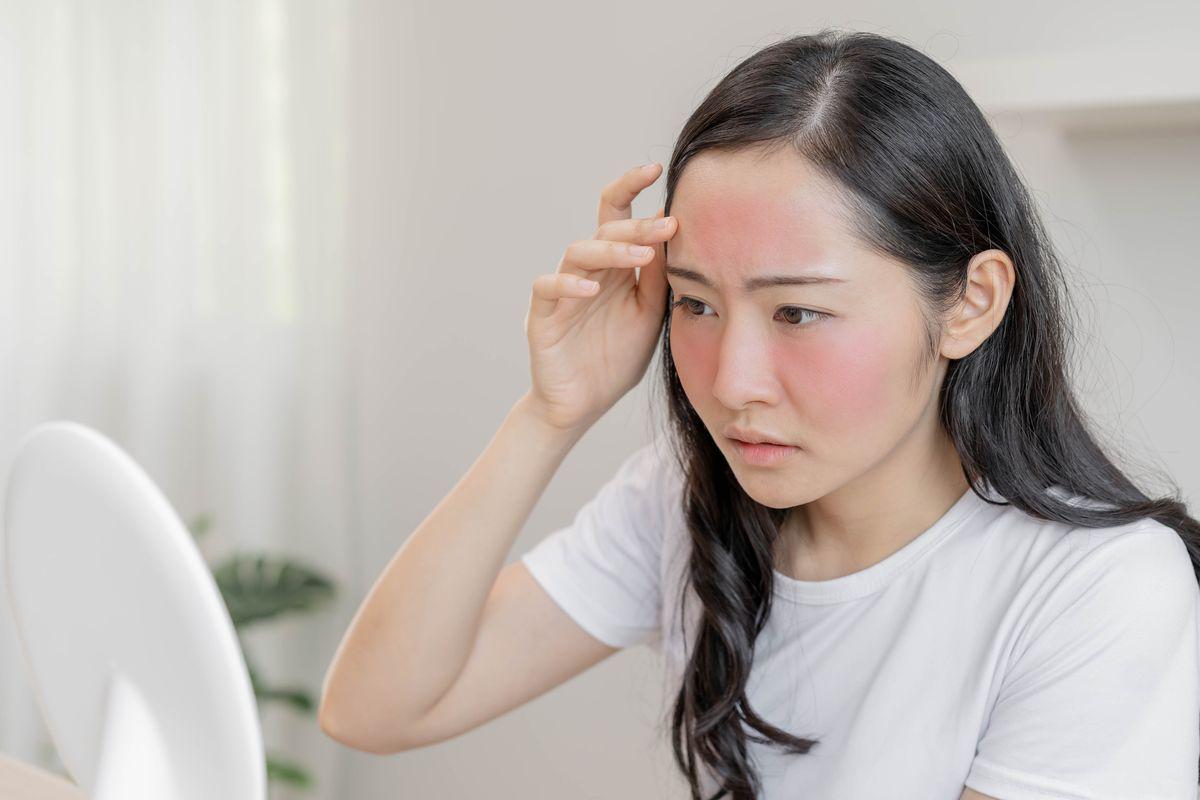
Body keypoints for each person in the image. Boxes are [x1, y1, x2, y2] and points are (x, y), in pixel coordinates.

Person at [318, 28, 1200, 800]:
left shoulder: (1097, 589)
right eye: (696, 303)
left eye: (797, 313)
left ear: (970, 303)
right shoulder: (682, 500)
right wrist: (552, 415)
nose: (734, 382)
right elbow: (375, 706)